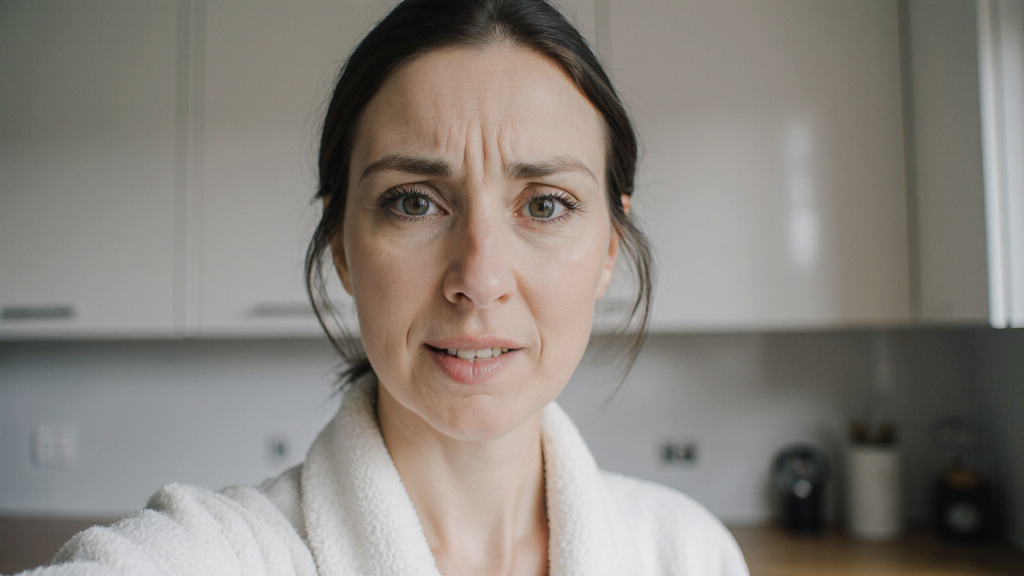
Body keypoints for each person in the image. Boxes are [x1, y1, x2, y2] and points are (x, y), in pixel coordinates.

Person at [18, 1, 748, 575]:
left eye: (546, 205)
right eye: (414, 201)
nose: (479, 279)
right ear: (340, 244)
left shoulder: (686, 554)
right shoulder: (232, 552)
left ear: (609, 248)